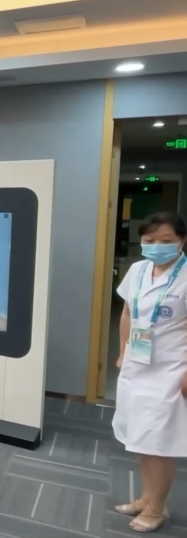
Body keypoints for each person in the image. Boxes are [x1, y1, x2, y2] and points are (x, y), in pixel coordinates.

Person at [113, 211, 187, 533]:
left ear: (182, 241)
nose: (157, 246)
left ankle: (157, 508)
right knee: (141, 438)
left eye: (166, 240)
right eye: (150, 240)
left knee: (160, 443)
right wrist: (122, 351)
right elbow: (127, 313)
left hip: (171, 369)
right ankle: (147, 497)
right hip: (137, 364)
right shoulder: (138, 269)